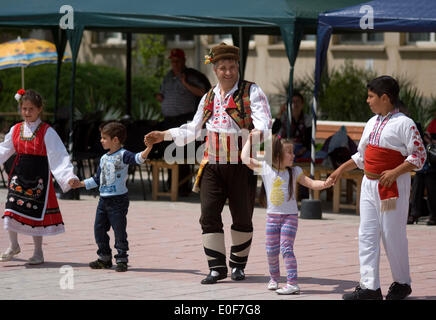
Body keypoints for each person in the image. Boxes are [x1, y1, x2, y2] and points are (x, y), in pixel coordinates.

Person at [146, 43, 272, 284]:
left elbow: (264, 126)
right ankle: (216, 268)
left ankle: (237, 266)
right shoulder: (208, 97)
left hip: (241, 164)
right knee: (208, 214)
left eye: (232, 67)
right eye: (223, 67)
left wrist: (252, 154)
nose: (228, 72)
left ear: (238, 67)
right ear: (214, 69)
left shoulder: (251, 92)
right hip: (212, 163)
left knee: (242, 216)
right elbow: (193, 130)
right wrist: (164, 135)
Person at [327, 76, 427, 300]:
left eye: (371, 96)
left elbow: (419, 156)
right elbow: (362, 156)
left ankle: (402, 283)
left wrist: (395, 172)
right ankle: (369, 286)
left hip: (391, 188)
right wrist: (341, 169)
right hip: (369, 186)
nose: (367, 100)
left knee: (393, 234)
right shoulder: (372, 122)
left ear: (385, 97)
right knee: (367, 234)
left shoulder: (405, 123)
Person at [241, 132, 332, 294]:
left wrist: (325, 183)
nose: (293, 155)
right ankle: (274, 278)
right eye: (289, 152)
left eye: (293, 151)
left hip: (290, 218)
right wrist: (249, 140)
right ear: (277, 155)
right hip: (272, 218)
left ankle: (292, 283)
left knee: (286, 248)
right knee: (271, 250)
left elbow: (310, 183)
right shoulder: (266, 168)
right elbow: (244, 159)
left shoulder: (295, 171)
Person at [0, 89, 79, 265]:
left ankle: (38, 252)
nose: (27, 113)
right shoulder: (16, 129)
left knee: (36, 214)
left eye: (31, 109)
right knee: (11, 209)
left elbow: (59, 155)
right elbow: (4, 150)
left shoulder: (47, 132)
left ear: (39, 109)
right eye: (24, 109)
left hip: (38, 179)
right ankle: (13, 245)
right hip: (18, 176)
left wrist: (68, 177)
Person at [71, 121, 152, 272]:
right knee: (99, 229)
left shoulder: (123, 155)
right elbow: (97, 179)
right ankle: (104, 258)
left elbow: (138, 158)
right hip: (103, 200)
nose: (101, 140)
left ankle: (121, 259)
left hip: (118, 201)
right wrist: (80, 184)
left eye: (104, 138)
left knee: (119, 230)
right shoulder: (103, 158)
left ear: (115, 140)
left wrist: (149, 147)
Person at [155, 48, 211, 195]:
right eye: (172, 61)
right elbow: (163, 91)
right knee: (169, 155)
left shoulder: (191, 75)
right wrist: (160, 97)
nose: (174, 64)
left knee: (182, 154)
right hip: (168, 121)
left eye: (177, 61)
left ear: (183, 61)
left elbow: (206, 93)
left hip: (185, 121)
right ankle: (171, 185)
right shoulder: (168, 76)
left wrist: (185, 83)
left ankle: (183, 188)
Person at [272, 92, 311, 160]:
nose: (295, 104)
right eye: (293, 102)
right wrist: (280, 113)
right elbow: (273, 131)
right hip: (283, 145)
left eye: (298, 101)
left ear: (302, 104)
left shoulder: (307, 119)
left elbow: (309, 138)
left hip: (300, 147)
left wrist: (303, 149)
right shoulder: (284, 117)